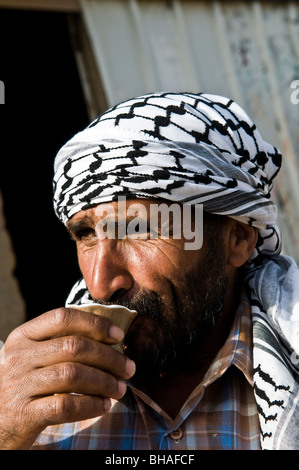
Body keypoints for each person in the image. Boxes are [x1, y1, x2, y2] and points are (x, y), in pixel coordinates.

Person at [1, 92, 299, 450]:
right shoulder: (27, 402)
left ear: (237, 239)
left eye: (139, 230)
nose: (100, 283)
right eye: (85, 234)